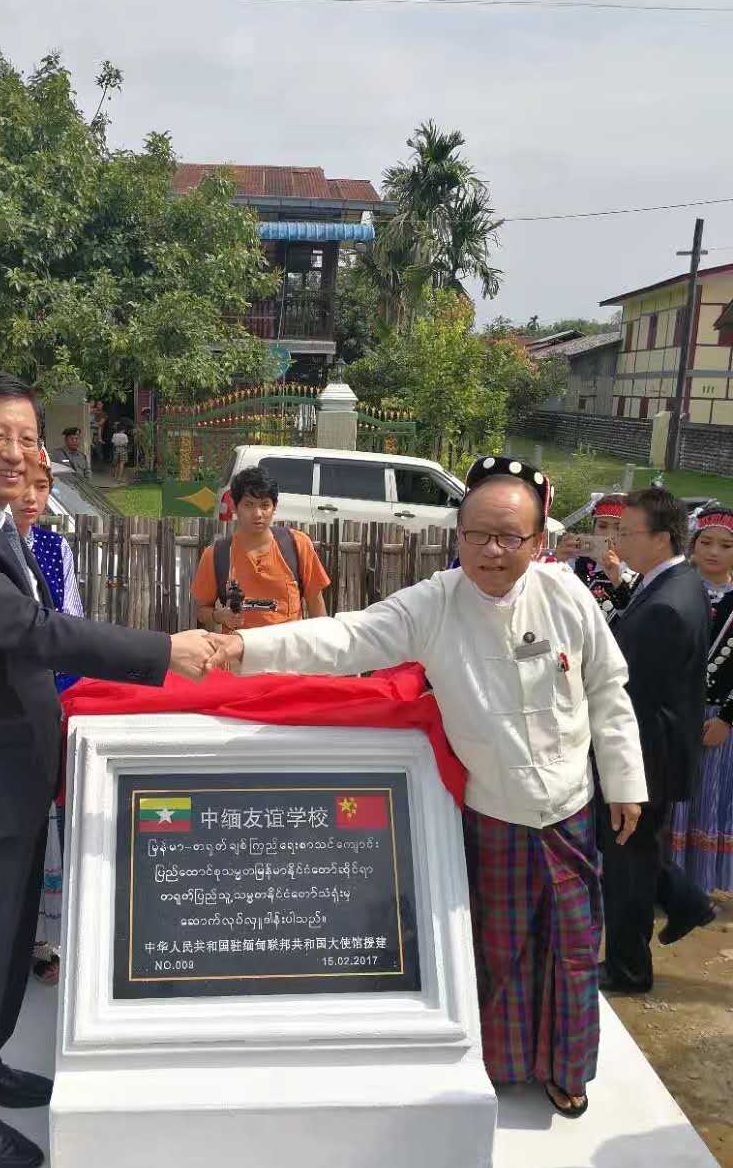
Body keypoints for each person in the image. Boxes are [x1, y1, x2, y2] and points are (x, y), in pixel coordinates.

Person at [207, 455, 647, 1120]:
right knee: (499, 948)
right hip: (493, 811)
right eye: (477, 535)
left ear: (537, 540)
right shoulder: (435, 604)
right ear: (458, 535)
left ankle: (567, 1067)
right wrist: (245, 649)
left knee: (576, 945)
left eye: (510, 537)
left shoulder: (567, 595)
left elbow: (607, 690)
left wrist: (624, 781)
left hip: (569, 808)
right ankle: (502, 1065)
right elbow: (346, 638)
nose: (492, 551)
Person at [0, 369, 216, 1168]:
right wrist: (162, 652)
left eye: (27, 438)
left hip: (11, 778)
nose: (14, 452)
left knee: (5, 945)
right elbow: (30, 632)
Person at [598, 488, 715, 995]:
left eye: (628, 532)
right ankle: (687, 902)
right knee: (634, 851)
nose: (619, 541)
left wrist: (618, 768)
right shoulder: (674, 582)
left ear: (662, 537)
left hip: (646, 756)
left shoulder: (668, 603)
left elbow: (634, 697)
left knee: (626, 864)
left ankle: (628, 970)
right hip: (656, 749)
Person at [10, 452, 82, 985]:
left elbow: (71, 622)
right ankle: (6, 935)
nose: (31, 498)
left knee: (51, 821)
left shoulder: (56, 549)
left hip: (49, 700)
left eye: (41, 487)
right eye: (23, 486)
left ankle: (43, 939)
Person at [669, 505, 733, 894]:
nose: (714, 551)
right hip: (672, 715)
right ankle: (667, 883)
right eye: (706, 542)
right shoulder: (674, 590)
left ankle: (700, 885)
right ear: (692, 544)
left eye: (726, 545)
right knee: (672, 798)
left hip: (719, 720)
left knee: (709, 798)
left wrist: (727, 719)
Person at [192, 466, 330, 632]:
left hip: (289, 646)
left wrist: (323, 643)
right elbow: (201, 612)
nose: (258, 514)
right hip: (238, 647)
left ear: (274, 507)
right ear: (234, 506)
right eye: (249, 505)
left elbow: (316, 605)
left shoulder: (298, 545)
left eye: (265, 505)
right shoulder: (216, 554)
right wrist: (219, 616)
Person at [555, 493, 639, 621]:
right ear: (593, 528)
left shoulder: (639, 570)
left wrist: (616, 581)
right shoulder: (577, 561)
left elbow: (635, 619)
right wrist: (557, 564)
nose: (609, 534)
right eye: (602, 526)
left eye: (618, 527)